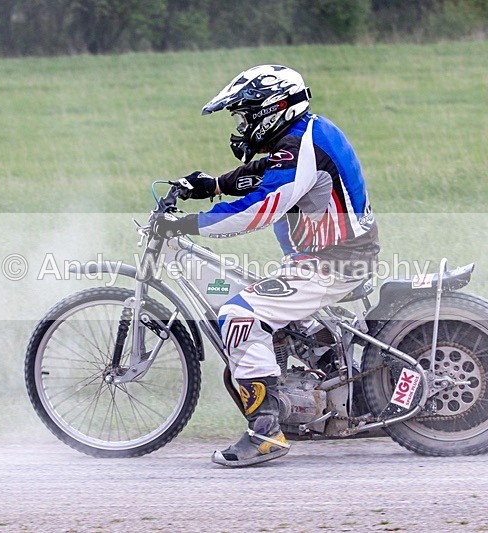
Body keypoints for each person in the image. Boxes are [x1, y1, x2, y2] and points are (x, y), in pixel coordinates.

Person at [154, 65, 379, 467]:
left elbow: (258, 207)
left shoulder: (298, 147)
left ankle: (265, 432)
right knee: (258, 300)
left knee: (239, 313)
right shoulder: (307, 134)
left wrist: (187, 224)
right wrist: (213, 185)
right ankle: (325, 363)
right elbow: (261, 175)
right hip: (329, 256)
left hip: (332, 262)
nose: (241, 125)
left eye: (244, 115)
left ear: (270, 109)